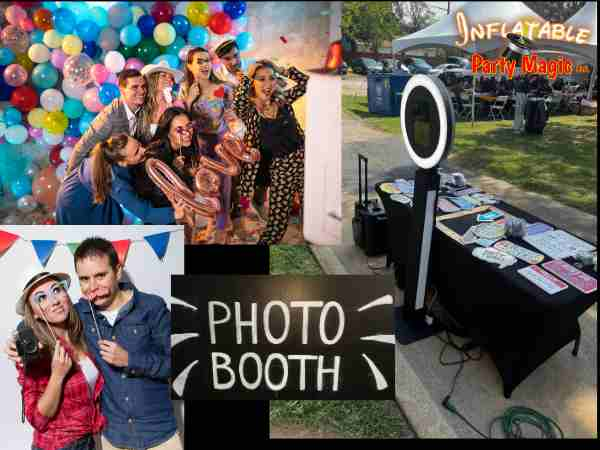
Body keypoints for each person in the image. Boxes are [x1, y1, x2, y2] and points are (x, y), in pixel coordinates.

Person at [6, 238, 183, 450]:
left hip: (158, 433)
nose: (93, 287)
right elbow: (37, 318)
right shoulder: (81, 315)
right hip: (112, 438)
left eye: (100, 275)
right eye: (84, 279)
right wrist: (16, 340)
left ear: (117, 271)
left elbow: (178, 365)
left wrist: (130, 360)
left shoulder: (151, 307)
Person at [15, 271, 105, 450]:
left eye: (56, 290)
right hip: (57, 446)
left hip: (89, 441)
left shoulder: (83, 334)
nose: (54, 300)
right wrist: (57, 375)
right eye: (41, 298)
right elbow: (38, 420)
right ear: (35, 314)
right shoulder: (35, 353)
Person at [233, 59, 309, 245]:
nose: (268, 84)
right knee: (277, 223)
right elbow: (239, 99)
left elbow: (307, 83)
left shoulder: (283, 101)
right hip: (281, 169)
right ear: (253, 82)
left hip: (306, 161)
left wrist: (283, 69)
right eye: (261, 79)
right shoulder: (248, 110)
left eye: (271, 78)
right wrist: (247, 77)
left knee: (311, 213)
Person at [178, 46, 246, 244]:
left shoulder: (222, 88)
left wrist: (234, 123)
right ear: (190, 66)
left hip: (220, 145)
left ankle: (222, 230)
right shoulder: (184, 89)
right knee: (205, 188)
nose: (205, 65)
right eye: (199, 61)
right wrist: (190, 99)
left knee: (223, 187)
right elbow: (183, 120)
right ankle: (211, 223)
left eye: (207, 60)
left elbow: (225, 118)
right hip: (198, 146)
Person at [56, 133, 187, 225]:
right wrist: (174, 214)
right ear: (122, 163)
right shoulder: (115, 183)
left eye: (139, 145)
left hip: (75, 187)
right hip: (74, 204)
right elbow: (145, 212)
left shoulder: (111, 150)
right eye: (136, 152)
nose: (143, 149)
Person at [67, 69, 152, 175]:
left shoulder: (143, 109)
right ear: (122, 90)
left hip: (126, 170)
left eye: (143, 86)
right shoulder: (109, 117)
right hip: (101, 175)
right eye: (134, 87)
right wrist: (69, 181)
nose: (142, 91)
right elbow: (82, 147)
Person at [134, 107, 200, 209]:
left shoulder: (187, 146)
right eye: (179, 130)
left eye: (189, 126)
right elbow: (157, 195)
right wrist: (178, 171)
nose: (187, 133)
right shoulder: (155, 156)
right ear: (167, 133)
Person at [135, 61, 184, 145]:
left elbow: (182, 133)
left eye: (171, 78)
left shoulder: (176, 104)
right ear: (152, 79)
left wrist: (171, 110)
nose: (169, 80)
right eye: (163, 75)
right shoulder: (141, 105)